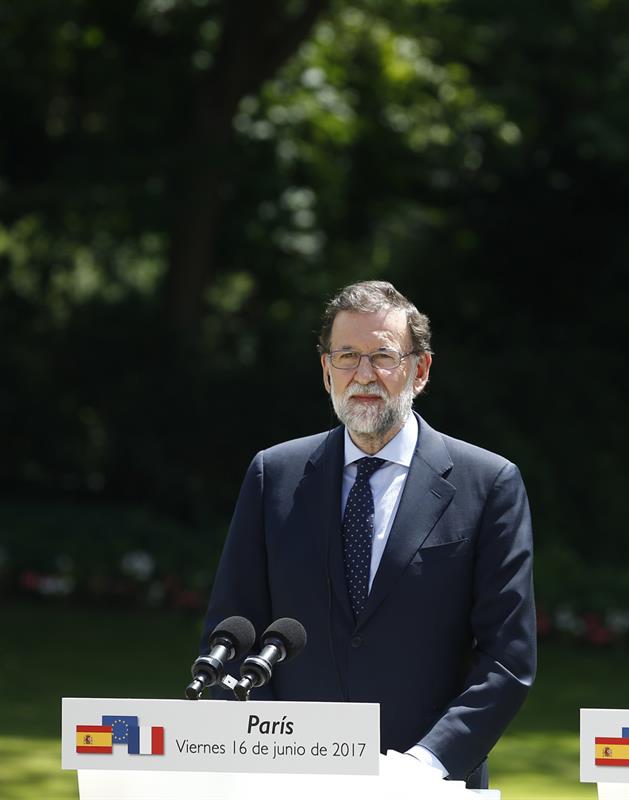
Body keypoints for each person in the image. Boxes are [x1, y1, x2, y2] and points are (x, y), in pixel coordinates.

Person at [201, 280, 535, 788]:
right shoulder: (275, 475)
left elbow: (507, 657)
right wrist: (265, 751)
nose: (363, 374)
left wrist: (424, 765)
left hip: (427, 782)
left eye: (383, 356)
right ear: (325, 370)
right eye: (347, 356)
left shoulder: (488, 484)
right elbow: (233, 625)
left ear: (419, 370)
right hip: (290, 778)